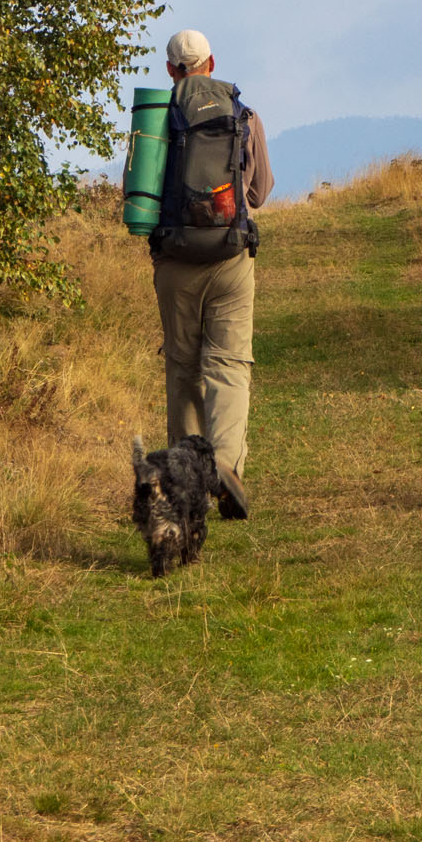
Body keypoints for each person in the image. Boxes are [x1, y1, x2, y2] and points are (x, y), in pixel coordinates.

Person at [151, 28, 272, 519]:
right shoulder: (243, 116)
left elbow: (136, 198)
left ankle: (184, 476)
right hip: (229, 260)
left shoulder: (156, 118)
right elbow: (260, 191)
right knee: (229, 364)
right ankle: (225, 464)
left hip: (176, 264)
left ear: (170, 70)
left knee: (183, 368)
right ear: (212, 62)